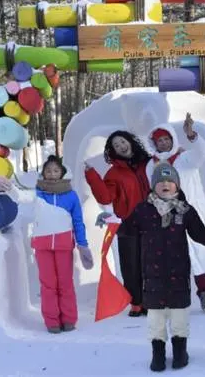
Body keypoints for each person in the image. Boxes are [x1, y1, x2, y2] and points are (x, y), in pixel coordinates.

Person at [123, 162, 205, 372]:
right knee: (155, 320)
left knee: (179, 318)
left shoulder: (185, 210)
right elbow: (126, 228)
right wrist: (111, 222)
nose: (165, 184)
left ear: (177, 185)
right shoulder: (143, 210)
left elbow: (200, 233)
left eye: (170, 181)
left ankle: (180, 353)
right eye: (161, 181)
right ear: (153, 185)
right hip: (152, 275)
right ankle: (157, 355)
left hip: (178, 274)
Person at [0, 155, 94, 334]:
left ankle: (69, 319)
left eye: (55, 171)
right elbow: (21, 197)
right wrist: (9, 187)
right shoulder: (38, 195)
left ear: (62, 173)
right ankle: (52, 321)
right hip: (42, 246)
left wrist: (82, 245)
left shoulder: (71, 196)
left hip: (63, 245)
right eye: (48, 171)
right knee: (48, 284)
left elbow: (78, 221)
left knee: (65, 283)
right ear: (43, 174)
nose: (52, 174)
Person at [145, 113, 205, 315]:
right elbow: (151, 189)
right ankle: (173, 299)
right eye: (159, 140)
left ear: (172, 139)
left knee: (197, 257)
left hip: (189, 213)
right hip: (166, 216)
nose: (163, 143)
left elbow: (202, 152)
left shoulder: (184, 157)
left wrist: (192, 135)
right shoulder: (151, 165)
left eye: (166, 139)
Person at [84, 130, 152, 316]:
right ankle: (136, 303)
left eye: (123, 142)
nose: (122, 146)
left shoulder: (148, 163)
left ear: (130, 141)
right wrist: (92, 176)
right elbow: (105, 197)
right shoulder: (114, 173)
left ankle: (151, 299)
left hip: (152, 221)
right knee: (130, 265)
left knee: (151, 263)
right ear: (112, 151)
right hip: (128, 224)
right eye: (116, 145)